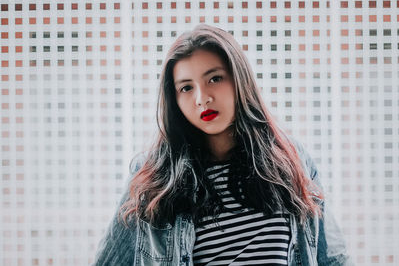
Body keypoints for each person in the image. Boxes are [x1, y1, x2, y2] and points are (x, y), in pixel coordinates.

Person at [93, 24, 353, 266]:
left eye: (214, 79)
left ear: (239, 79)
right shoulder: (153, 178)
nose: (202, 98)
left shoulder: (292, 160)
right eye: (186, 88)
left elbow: (332, 259)